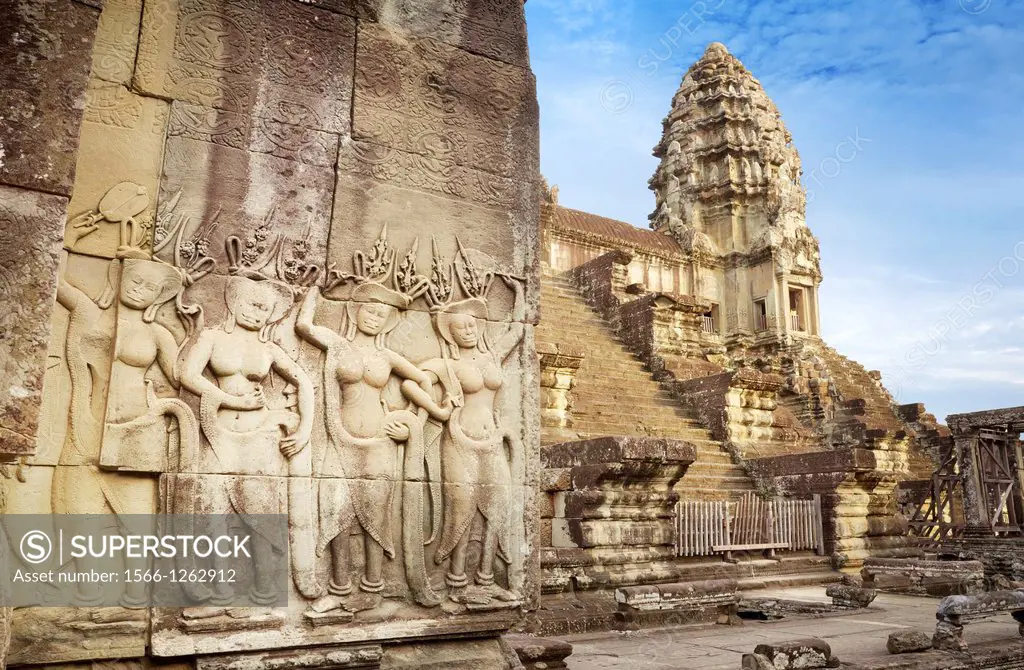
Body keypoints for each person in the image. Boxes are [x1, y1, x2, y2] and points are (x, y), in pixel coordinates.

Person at [296, 282, 451, 613]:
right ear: (355, 310)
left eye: (382, 315)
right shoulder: (337, 345)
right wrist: (317, 287)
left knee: (375, 516)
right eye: (370, 310)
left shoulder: (386, 356)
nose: (374, 318)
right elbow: (304, 326)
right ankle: (339, 587)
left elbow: (422, 382)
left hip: (380, 442)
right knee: (337, 512)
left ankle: (372, 587)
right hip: (341, 439)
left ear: (388, 322)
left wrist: (412, 420)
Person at [179, 274, 313, 608]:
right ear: (234, 303)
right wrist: (230, 400)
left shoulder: (268, 348)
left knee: (262, 513)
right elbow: (188, 374)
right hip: (218, 430)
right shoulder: (211, 337)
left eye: (265, 309)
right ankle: (221, 588)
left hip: (260, 435)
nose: (257, 313)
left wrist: (306, 428)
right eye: (251, 305)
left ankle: (265, 587)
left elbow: (304, 382)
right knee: (214, 512)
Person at [423, 275, 524, 605]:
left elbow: (518, 330)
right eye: (460, 327)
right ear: (450, 333)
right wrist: (435, 408)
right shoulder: (446, 364)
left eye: (472, 325)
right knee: (462, 510)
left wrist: (519, 292)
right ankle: (456, 582)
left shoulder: (492, 356)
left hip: (491, 441)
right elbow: (411, 377)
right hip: (458, 440)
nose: (467, 331)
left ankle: (486, 579)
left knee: (495, 509)